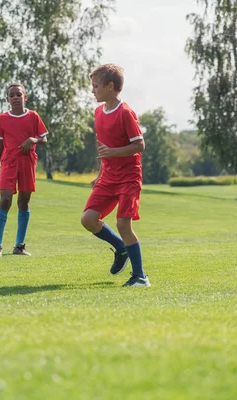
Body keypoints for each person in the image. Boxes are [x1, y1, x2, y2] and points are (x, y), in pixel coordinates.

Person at [80, 64, 150, 287]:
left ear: (110, 87)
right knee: (88, 220)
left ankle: (140, 277)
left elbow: (140, 145)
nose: (93, 90)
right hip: (108, 177)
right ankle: (121, 249)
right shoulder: (98, 112)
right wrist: (100, 174)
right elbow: (103, 148)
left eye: (96, 86)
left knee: (123, 225)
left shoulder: (126, 113)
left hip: (129, 177)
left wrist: (114, 153)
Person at [0, 83, 48, 257]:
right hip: (8, 163)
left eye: (18, 94)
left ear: (25, 97)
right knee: (5, 199)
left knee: (24, 201)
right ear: (7, 99)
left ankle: (19, 246)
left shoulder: (33, 116)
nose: (15, 97)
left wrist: (33, 140)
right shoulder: (2, 118)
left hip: (28, 163)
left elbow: (43, 139)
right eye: (12, 95)